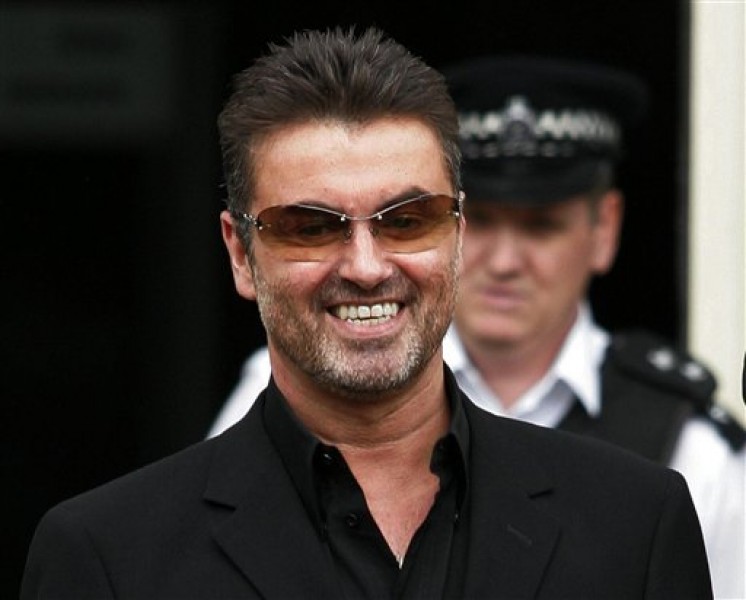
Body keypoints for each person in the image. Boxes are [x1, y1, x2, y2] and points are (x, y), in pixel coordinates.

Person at [21, 28, 712, 599]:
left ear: (457, 233)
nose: (366, 265)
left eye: (407, 220)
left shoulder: (636, 524)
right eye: (310, 227)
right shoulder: (108, 557)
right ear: (239, 253)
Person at [206, 53, 746, 598]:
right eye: (484, 221)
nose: (505, 262)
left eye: (541, 227)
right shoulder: (283, 385)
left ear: (604, 229)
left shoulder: (686, 448)